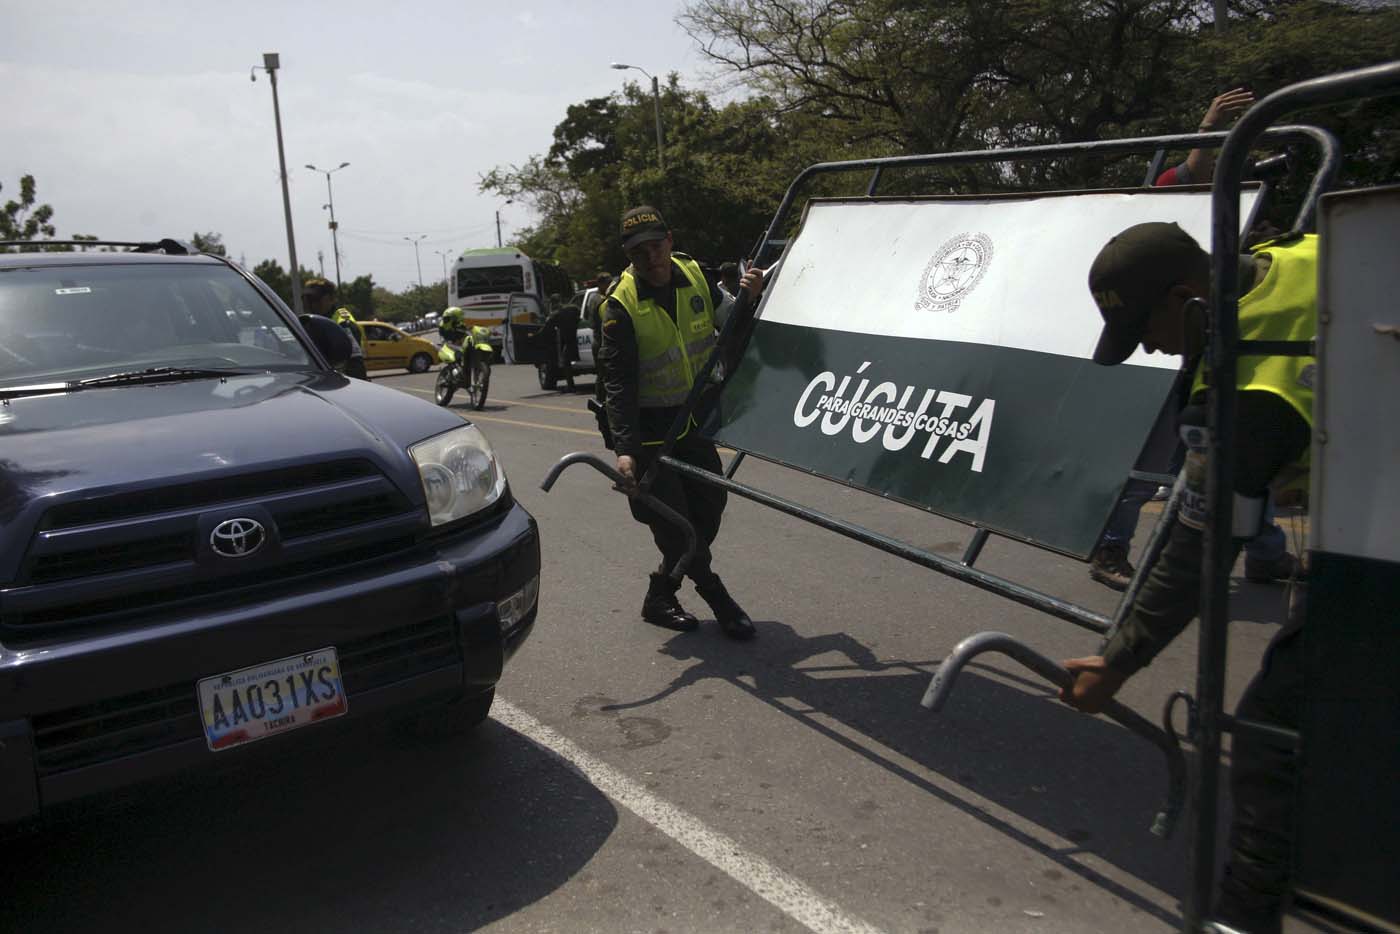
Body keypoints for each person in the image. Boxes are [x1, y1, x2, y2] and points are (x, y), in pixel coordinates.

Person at [1064, 221, 1316, 933]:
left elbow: (1198, 545)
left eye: (1148, 327)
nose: (1149, 347)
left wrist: (1119, 660)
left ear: (1187, 294)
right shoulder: (1296, 256)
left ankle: (1243, 917)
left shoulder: (1249, 377)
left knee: (1272, 734)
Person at [1089, 85, 1303, 591]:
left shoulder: (1246, 232)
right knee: (1155, 456)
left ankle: (1267, 553)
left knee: (1246, 451)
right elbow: (1189, 174)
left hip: (1229, 340)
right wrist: (1208, 128)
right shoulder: (1167, 228)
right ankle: (1112, 546)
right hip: (1176, 349)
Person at [599, 205, 764, 640]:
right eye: (638, 253)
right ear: (628, 256)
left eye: (655, 247)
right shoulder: (618, 307)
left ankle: (660, 593)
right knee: (675, 526)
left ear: (669, 240)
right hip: (650, 433)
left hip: (693, 422)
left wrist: (750, 297)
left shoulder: (696, 276)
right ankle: (719, 598)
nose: (650, 258)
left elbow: (732, 325)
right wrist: (625, 452)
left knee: (709, 512)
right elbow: (617, 384)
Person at [302, 278, 368, 379]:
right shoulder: (309, 321)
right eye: (307, 299)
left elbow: (355, 364)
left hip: (340, 384)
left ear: (331, 299)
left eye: (315, 299)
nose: (310, 304)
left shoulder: (344, 324)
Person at [538, 300, 582, 390]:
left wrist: (536, 335)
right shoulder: (573, 308)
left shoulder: (557, 314)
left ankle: (570, 386)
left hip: (568, 341)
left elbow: (547, 326)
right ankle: (570, 386)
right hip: (576, 338)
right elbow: (581, 316)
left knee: (566, 362)